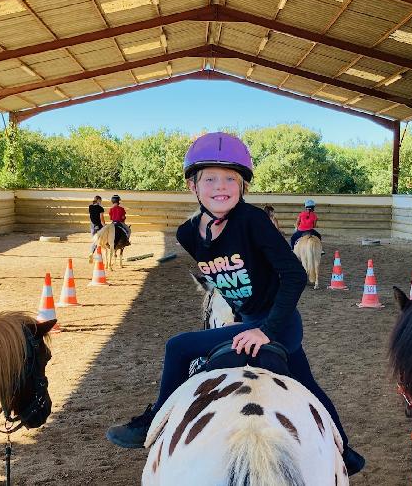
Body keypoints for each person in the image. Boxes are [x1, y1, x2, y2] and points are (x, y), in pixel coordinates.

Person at [105, 132, 365, 475]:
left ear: (242, 186)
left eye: (230, 178)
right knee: (305, 381)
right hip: (247, 319)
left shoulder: (253, 221)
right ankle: (346, 450)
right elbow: (225, 281)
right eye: (209, 178)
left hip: (278, 323)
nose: (221, 186)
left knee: (178, 346)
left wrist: (265, 330)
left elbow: (294, 275)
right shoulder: (187, 234)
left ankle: (153, 420)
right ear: (193, 186)